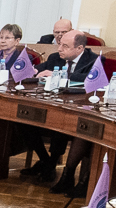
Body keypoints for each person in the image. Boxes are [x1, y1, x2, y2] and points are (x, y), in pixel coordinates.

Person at [22, 30, 102, 189]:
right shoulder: (55, 57)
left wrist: (57, 75)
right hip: (51, 102)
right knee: (23, 119)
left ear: (79, 48)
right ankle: (46, 160)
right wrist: (34, 71)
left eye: (65, 46)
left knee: (60, 122)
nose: (60, 49)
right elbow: (37, 70)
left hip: (79, 107)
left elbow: (91, 79)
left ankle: (52, 165)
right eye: (60, 45)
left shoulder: (94, 60)